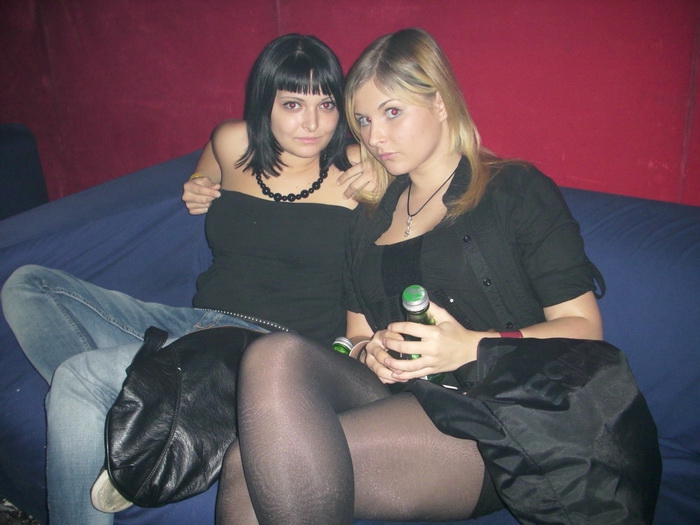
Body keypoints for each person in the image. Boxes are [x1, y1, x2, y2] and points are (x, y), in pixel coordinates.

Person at [215, 27, 604, 524]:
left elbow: (584, 329)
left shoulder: (514, 191)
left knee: (246, 465)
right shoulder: (368, 216)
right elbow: (355, 333)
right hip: (392, 396)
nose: (375, 137)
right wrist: (368, 350)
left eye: (392, 112)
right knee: (274, 353)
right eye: (363, 120)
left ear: (439, 102)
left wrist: (471, 346)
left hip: (493, 412)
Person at [1, 33, 376, 525]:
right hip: (195, 325)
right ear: (263, 104)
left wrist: (384, 180)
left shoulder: (358, 168)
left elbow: (436, 167)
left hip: (269, 351)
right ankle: (144, 420)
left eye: (326, 104)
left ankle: (137, 422)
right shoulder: (232, 141)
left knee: (77, 378)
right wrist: (199, 184)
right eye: (292, 104)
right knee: (27, 284)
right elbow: (204, 176)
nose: (312, 123)